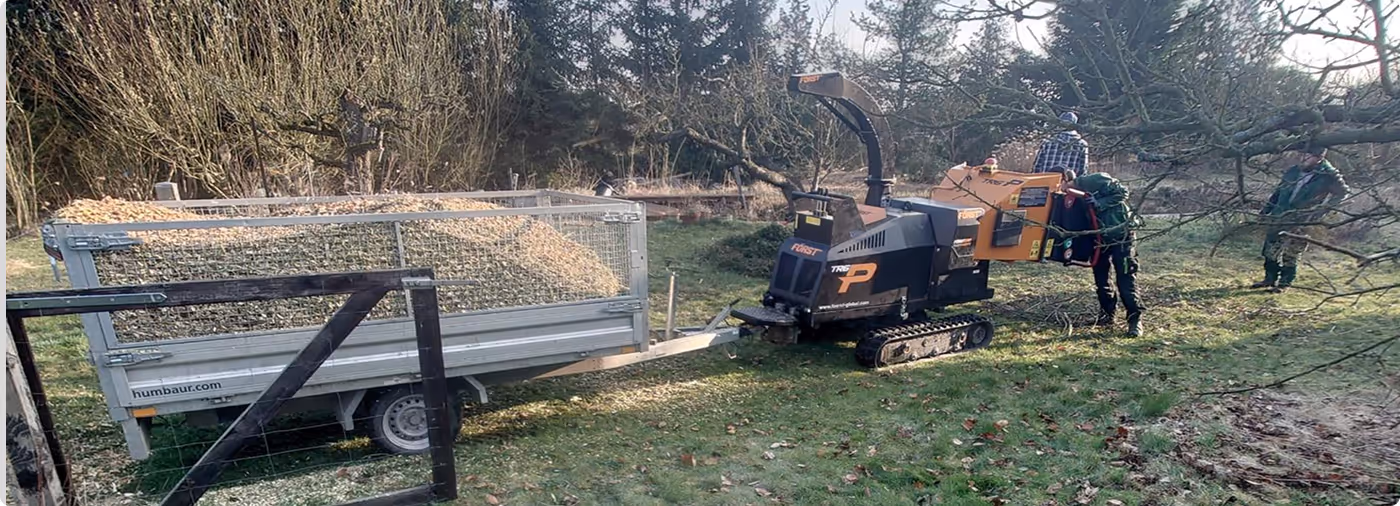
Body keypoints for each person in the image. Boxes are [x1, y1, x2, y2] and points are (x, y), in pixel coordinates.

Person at [1252, 145, 1349, 292]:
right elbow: (1278, 192)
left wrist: (1321, 211)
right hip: (1280, 214)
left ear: (1319, 158)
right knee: (1270, 249)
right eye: (1302, 154)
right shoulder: (1293, 171)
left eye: (1308, 156)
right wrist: (1266, 211)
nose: (1302, 158)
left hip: (1303, 219)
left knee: (1292, 252)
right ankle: (1269, 279)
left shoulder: (1329, 175)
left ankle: (1284, 284)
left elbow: (1342, 193)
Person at [1068, 171, 1144, 337]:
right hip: (1099, 239)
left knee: (1125, 279)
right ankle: (1106, 315)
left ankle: (1134, 320)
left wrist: (1099, 202)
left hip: (1121, 236)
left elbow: (1122, 192)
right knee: (1101, 279)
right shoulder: (1069, 195)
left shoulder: (1093, 180)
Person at [1032, 112, 1089, 181]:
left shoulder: (1047, 142)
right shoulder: (1082, 144)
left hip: (1045, 183)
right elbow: (1083, 170)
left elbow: (1037, 167)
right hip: (1068, 185)